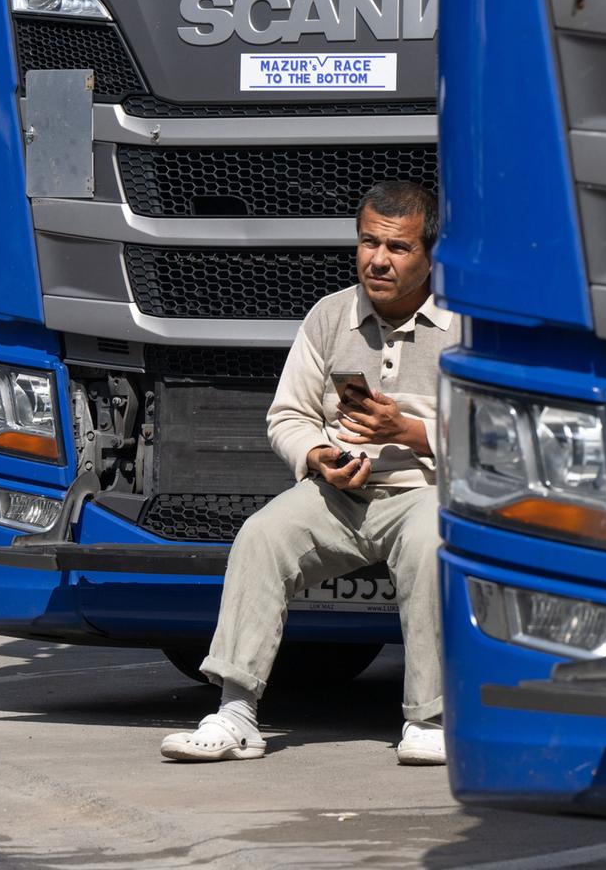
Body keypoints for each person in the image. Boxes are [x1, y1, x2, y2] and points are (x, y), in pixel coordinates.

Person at [161, 181, 453, 766]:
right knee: (262, 535)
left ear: (430, 254)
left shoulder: (465, 324)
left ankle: (430, 718)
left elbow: (496, 434)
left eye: (397, 248)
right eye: (368, 242)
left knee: (430, 543)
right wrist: (319, 456)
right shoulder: (328, 316)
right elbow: (287, 415)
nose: (378, 260)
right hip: (339, 493)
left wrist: (411, 432)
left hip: (426, 491)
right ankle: (236, 712)